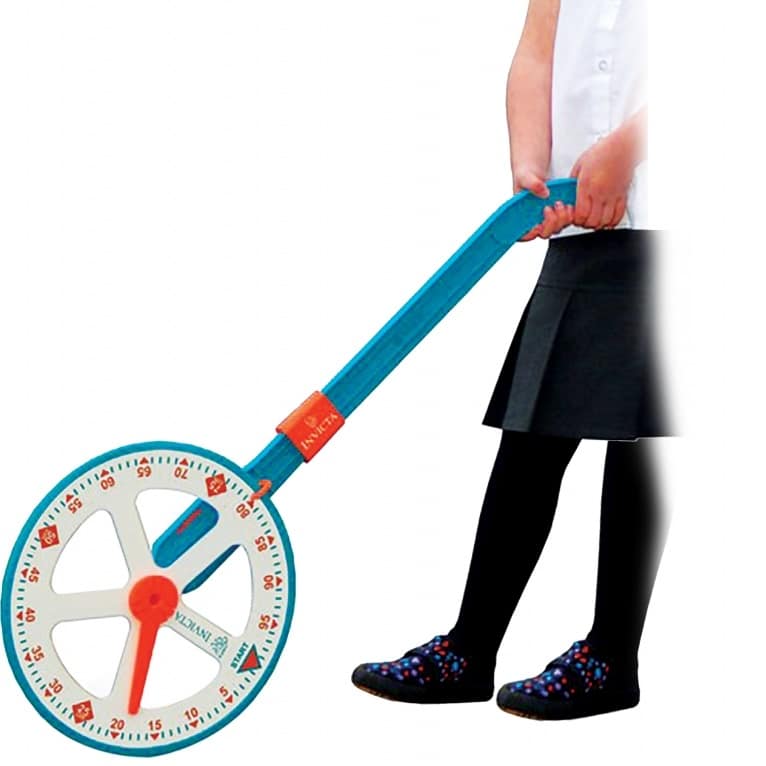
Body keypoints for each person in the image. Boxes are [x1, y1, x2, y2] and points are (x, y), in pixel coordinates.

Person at [351, 0, 670, 720]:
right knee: (535, 428)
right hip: (584, 213)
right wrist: (533, 165)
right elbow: (537, 45)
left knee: (646, 438)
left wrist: (627, 150)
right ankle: (470, 648)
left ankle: (611, 657)